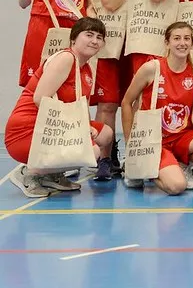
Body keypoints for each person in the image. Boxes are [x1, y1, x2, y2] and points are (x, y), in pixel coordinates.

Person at [5, 18, 113, 198]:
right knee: (91, 151)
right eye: (89, 35)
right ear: (73, 39)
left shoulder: (86, 68)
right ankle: (29, 173)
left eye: (99, 37)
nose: (94, 40)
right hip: (27, 129)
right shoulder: (66, 58)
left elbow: (80, 105)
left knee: (106, 134)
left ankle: (51, 174)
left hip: (53, 125)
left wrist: (87, 126)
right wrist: (80, 129)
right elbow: (40, 99)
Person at [121, 22, 193, 195]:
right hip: (154, 139)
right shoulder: (151, 68)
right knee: (177, 187)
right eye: (176, 38)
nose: (182, 43)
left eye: (187, 38)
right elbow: (127, 102)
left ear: (192, 43)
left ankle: (182, 166)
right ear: (167, 42)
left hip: (182, 137)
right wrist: (131, 145)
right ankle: (141, 166)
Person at [90, 0, 146, 179]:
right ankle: (105, 157)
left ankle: (132, 154)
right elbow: (110, 3)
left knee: (133, 104)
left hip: (134, 49)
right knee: (108, 104)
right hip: (110, 50)